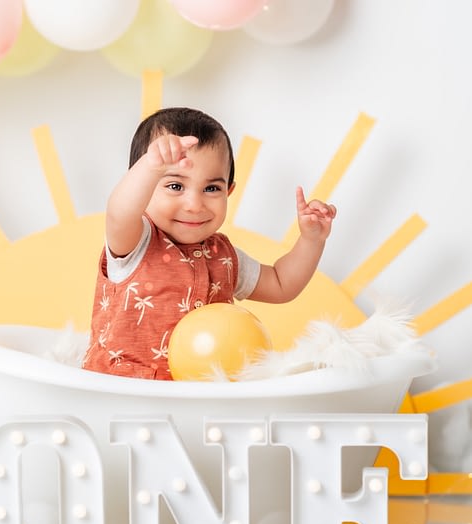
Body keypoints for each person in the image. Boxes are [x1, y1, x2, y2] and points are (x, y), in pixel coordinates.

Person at [83, 107, 336, 380]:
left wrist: (311, 239)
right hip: (123, 389)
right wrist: (149, 167)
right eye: (175, 186)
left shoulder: (223, 257)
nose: (194, 205)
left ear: (229, 191)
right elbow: (119, 212)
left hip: (201, 397)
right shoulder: (137, 241)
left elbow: (280, 284)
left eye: (211, 189)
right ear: (143, 184)